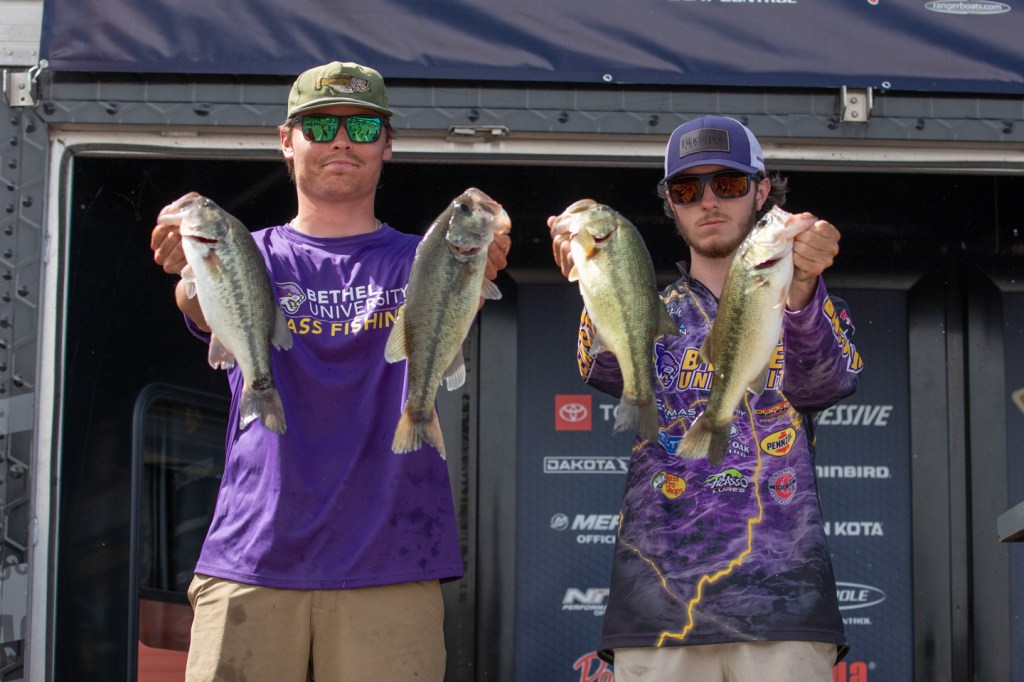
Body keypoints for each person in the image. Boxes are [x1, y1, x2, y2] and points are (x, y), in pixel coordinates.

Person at [150, 61, 511, 682]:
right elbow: (197, 305)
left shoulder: (427, 256)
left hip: (392, 561)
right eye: (319, 126)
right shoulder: (244, 250)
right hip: (251, 561)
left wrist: (486, 250)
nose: (341, 140)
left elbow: (465, 292)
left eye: (362, 126)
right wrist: (189, 267)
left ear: (387, 144)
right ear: (286, 141)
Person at [549, 115, 862, 681]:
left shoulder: (807, 301)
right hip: (658, 609)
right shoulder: (649, 306)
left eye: (729, 183)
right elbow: (603, 368)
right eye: (687, 189)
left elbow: (824, 383)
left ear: (762, 192)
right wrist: (593, 270)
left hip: (784, 604)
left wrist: (803, 290)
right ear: (671, 202)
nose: (709, 201)